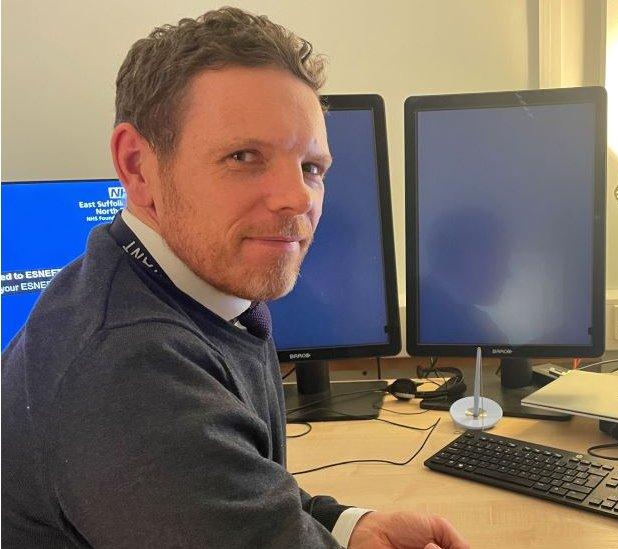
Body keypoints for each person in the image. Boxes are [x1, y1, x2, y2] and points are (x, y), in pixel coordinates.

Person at [1, 8, 469, 549]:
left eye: (311, 167)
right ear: (137, 166)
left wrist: (350, 526)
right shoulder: (130, 372)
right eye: (243, 156)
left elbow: (241, 487)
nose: (297, 198)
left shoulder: (188, 293)